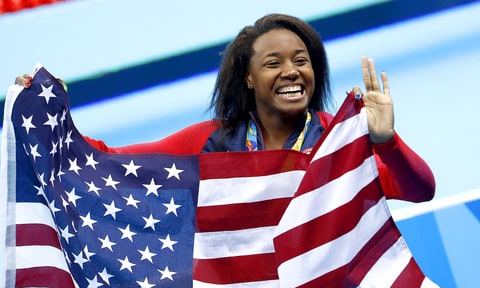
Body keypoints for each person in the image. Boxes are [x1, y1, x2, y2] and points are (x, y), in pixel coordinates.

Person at [16, 13, 435, 203]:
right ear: (248, 78)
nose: (292, 72)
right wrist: (49, 118)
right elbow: (113, 162)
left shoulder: (344, 137)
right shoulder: (209, 140)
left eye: (301, 60)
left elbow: (419, 191)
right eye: (274, 63)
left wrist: (387, 142)